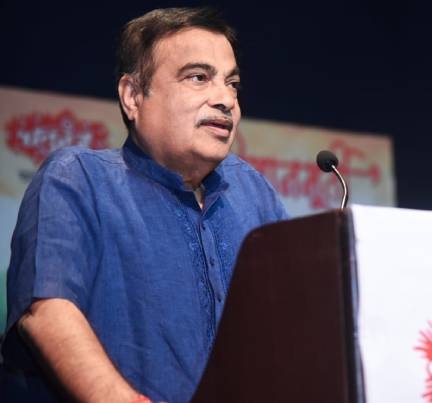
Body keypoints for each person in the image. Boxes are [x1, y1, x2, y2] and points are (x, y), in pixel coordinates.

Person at [1, 7, 288, 402]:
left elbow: (293, 323)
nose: (225, 100)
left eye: (232, 83)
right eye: (198, 77)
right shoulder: (78, 179)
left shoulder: (255, 193)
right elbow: (47, 312)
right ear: (133, 96)